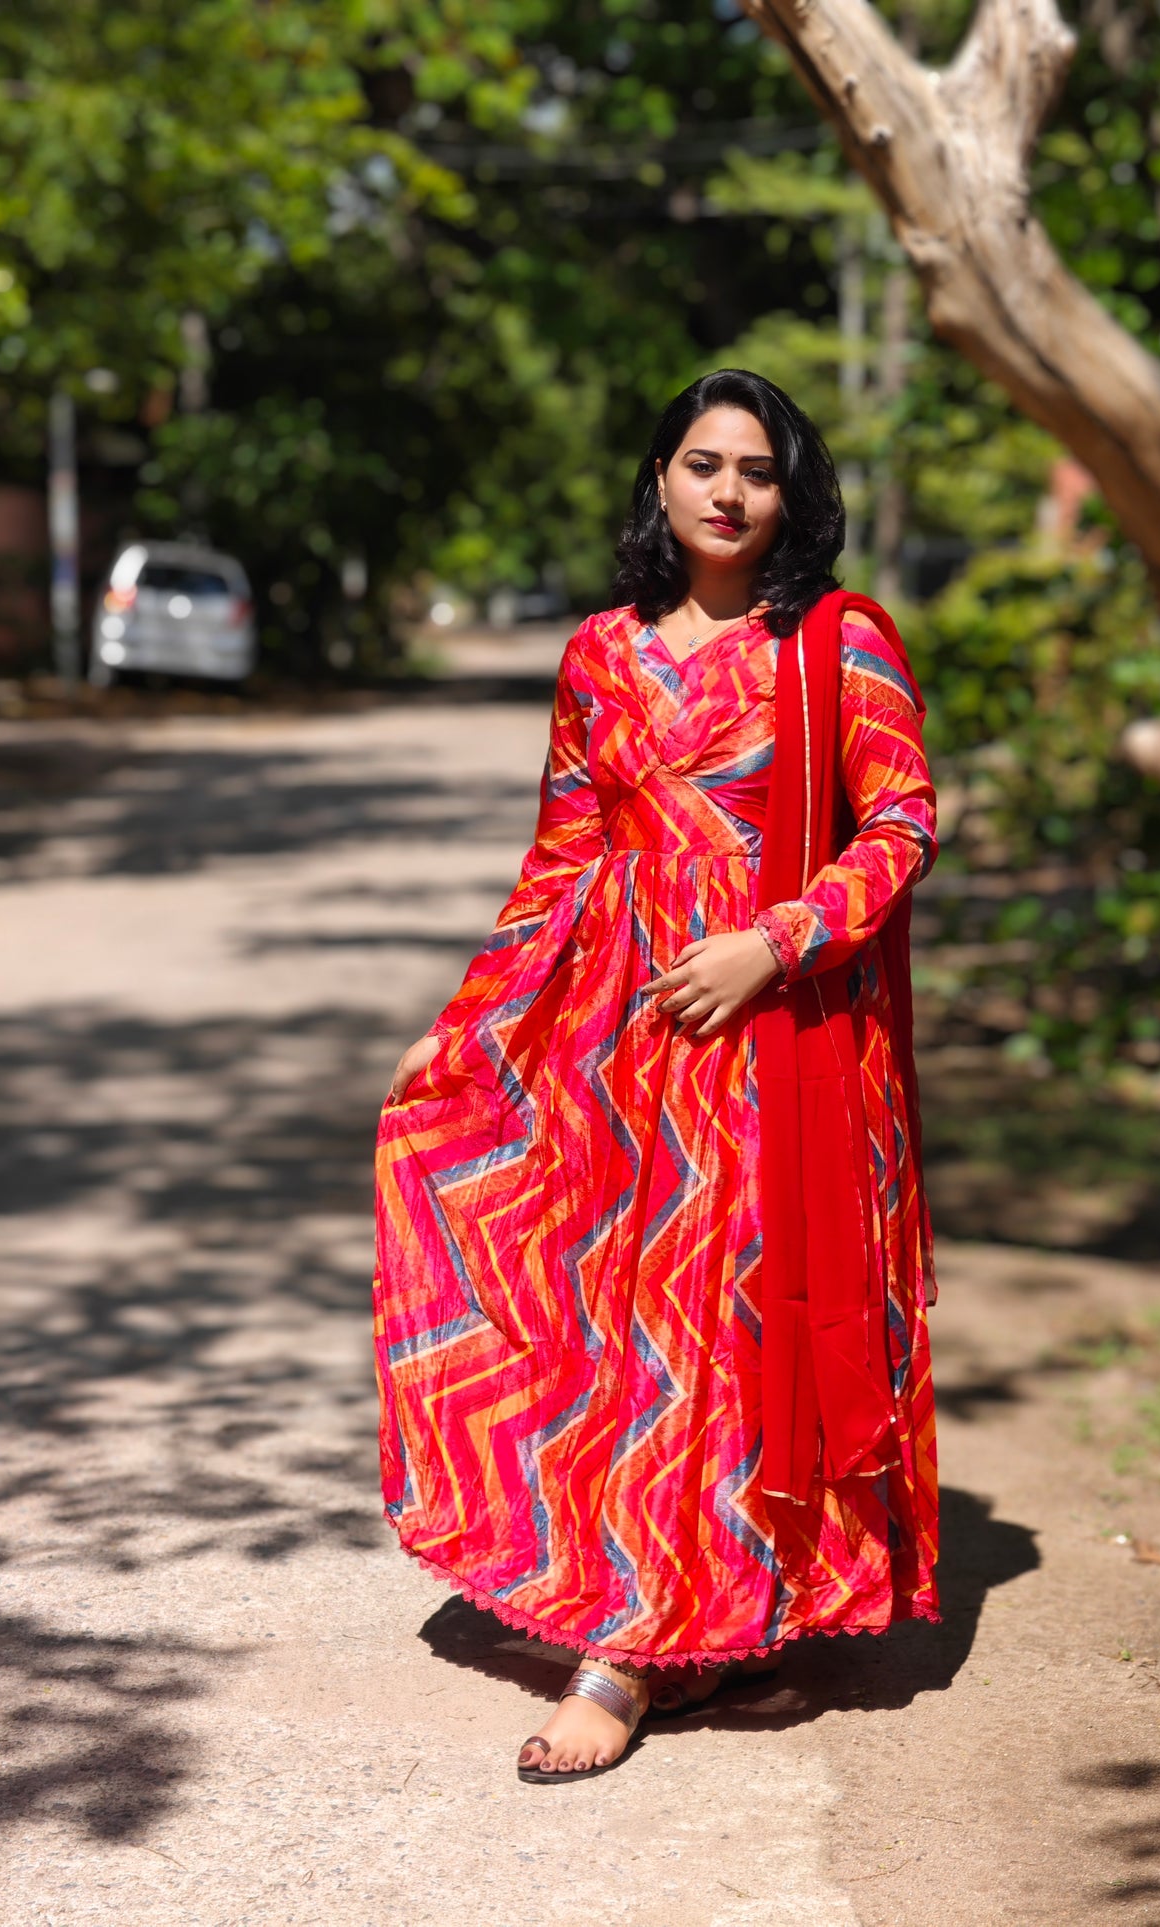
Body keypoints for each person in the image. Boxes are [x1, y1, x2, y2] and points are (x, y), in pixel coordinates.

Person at [374, 368, 940, 1784]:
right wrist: (466, 1020)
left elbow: (905, 823)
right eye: (703, 464)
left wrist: (776, 941)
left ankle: (626, 1655)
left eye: (758, 471)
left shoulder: (832, 647)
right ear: (662, 481)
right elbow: (560, 860)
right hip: (613, 1044)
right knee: (618, 1328)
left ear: (794, 497)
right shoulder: (601, 655)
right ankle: (686, 1605)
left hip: (774, 1044)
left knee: (717, 1326)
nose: (729, 492)